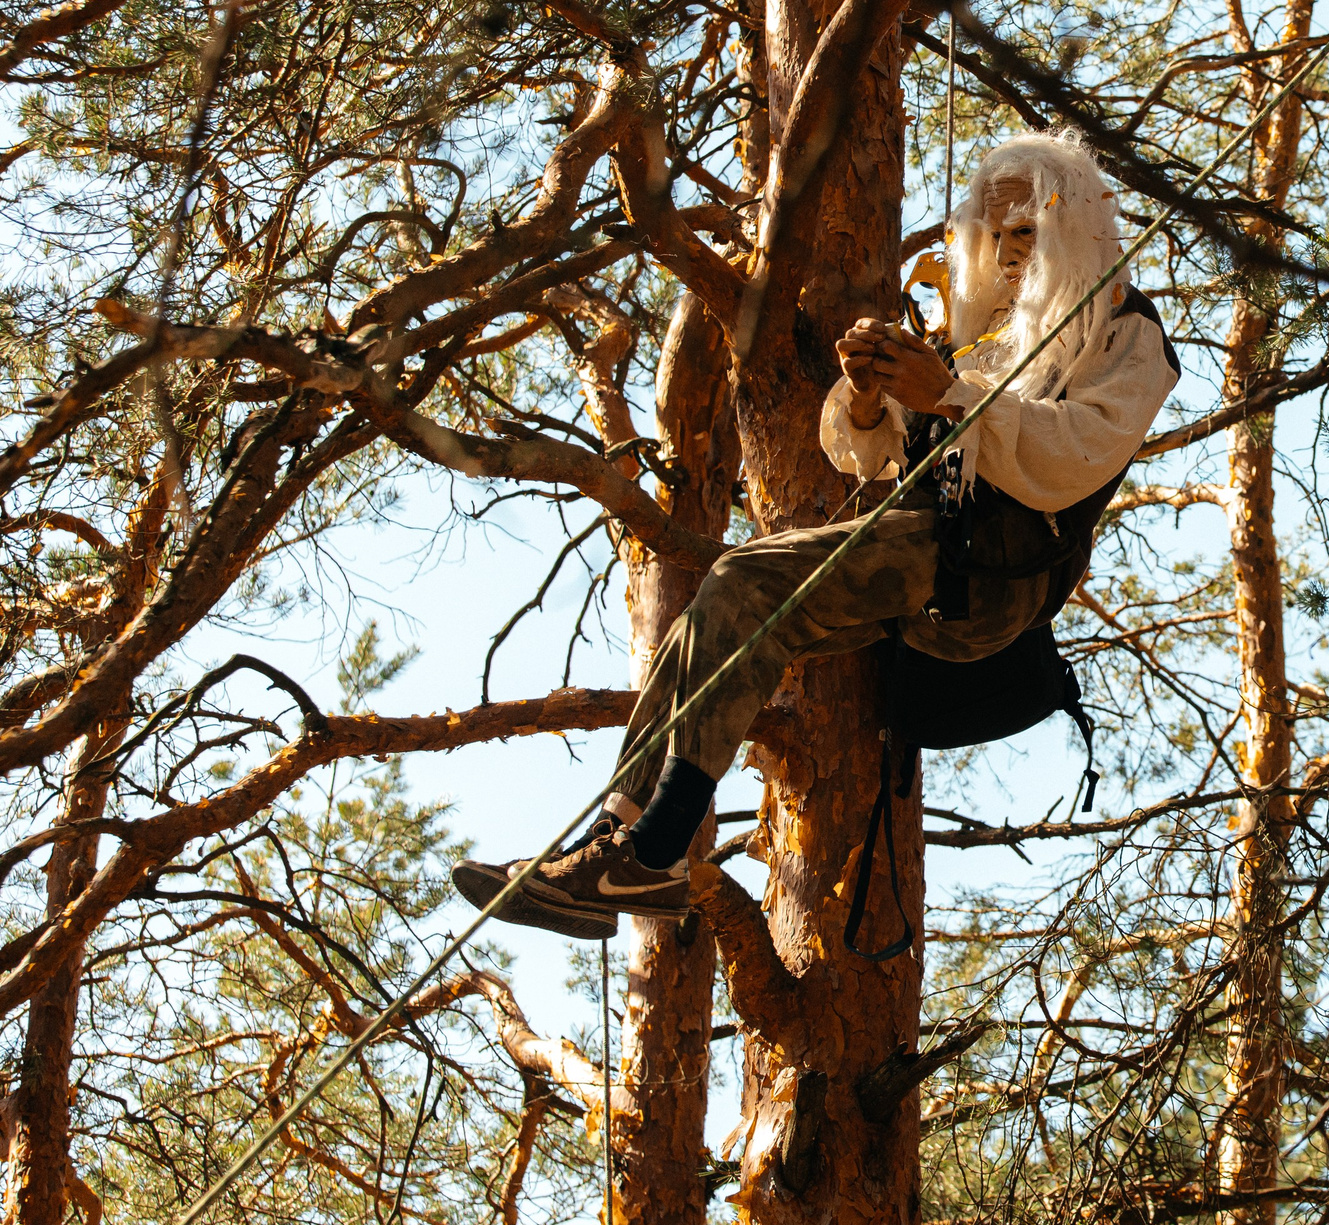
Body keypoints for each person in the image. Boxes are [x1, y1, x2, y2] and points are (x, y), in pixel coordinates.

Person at [451, 136, 1179, 938]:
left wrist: (952, 394)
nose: (1008, 256)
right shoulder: (977, 338)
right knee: (723, 611)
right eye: (994, 235)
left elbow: (1075, 453)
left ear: (1069, 229)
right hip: (928, 558)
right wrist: (870, 395)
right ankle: (613, 840)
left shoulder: (1121, 330)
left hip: (995, 578)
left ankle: (652, 854)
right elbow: (874, 450)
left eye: (1026, 236)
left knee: (746, 585)